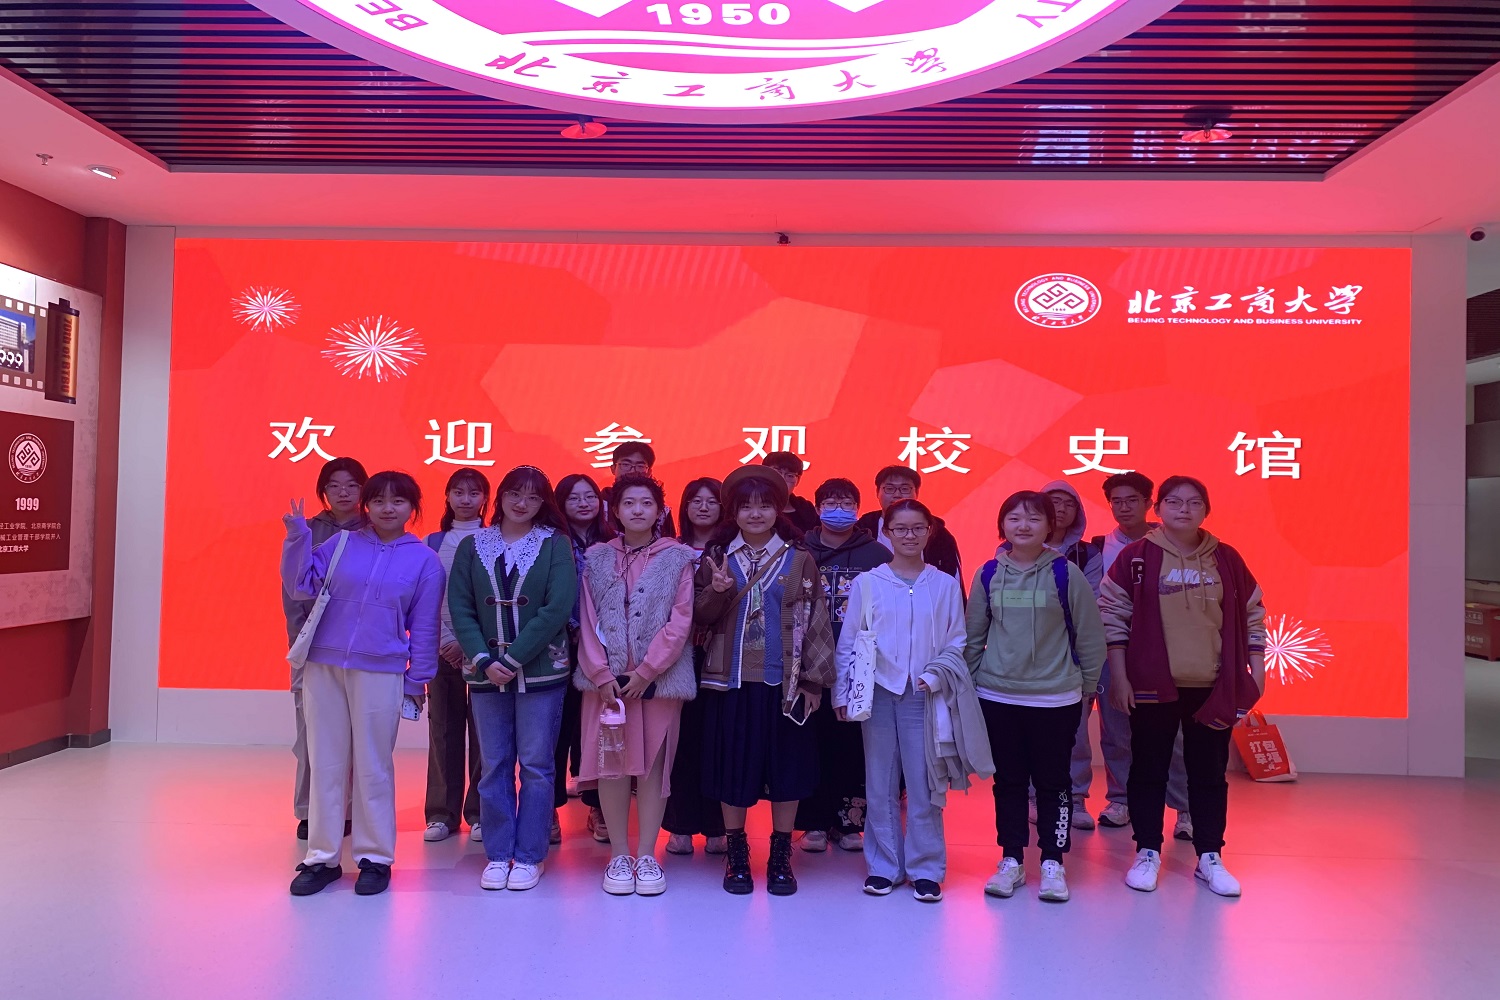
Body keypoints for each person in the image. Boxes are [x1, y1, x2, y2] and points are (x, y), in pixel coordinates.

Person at [1099, 476, 1266, 898]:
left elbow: (1253, 611)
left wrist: (1257, 671)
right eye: (1174, 502)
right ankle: (1147, 851)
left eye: (1194, 502)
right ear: (1158, 509)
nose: (1184, 509)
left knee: (1209, 773)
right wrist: (1119, 676)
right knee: (1148, 769)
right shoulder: (1137, 557)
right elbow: (1113, 615)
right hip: (1152, 685)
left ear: (1207, 510)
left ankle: (1210, 855)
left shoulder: (1226, 558)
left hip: (1212, 685)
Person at [281, 471, 443, 897]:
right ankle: (321, 858)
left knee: (374, 765)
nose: (388, 509)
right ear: (366, 506)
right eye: (379, 501)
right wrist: (297, 538)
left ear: (412, 508)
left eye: (398, 501)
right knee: (326, 762)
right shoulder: (341, 543)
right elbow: (300, 586)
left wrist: (417, 680)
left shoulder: (424, 560)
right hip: (323, 665)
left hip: (382, 671)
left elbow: (425, 626)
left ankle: (375, 858)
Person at [694, 465, 835, 896]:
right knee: (732, 769)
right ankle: (737, 854)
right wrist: (717, 590)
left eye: (764, 506)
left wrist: (813, 682)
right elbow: (699, 619)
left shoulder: (800, 559)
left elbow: (817, 621)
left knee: (787, 769)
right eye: (746, 507)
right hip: (729, 683)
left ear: (779, 510)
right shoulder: (717, 557)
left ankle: (779, 855)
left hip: (785, 683)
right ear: (733, 512)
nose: (755, 514)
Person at [965, 491, 1106, 904]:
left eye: (1033, 518)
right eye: (1014, 518)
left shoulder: (1066, 574)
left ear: (1049, 526)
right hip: (998, 696)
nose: (1023, 525)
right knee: (1008, 782)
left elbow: (1090, 637)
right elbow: (973, 637)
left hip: (1055, 698)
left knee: (1054, 782)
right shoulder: (988, 574)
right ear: (1002, 526)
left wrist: (1087, 690)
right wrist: (970, 687)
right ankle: (1010, 859)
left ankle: (1052, 862)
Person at [449, 465, 578, 892]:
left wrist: (515, 656)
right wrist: (483, 658)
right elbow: (461, 606)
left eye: (533, 497)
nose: (522, 503)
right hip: (485, 673)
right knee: (494, 765)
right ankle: (498, 852)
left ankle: (529, 855)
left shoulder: (555, 544)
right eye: (514, 494)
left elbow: (557, 607)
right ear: (500, 496)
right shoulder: (472, 545)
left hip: (541, 673)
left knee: (538, 766)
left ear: (544, 504)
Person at [833, 499, 966, 902]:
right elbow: (849, 640)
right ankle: (884, 867)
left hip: (924, 694)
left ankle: (926, 868)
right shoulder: (868, 583)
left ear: (930, 531)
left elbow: (957, 640)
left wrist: (934, 675)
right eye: (901, 528)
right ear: (886, 533)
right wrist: (843, 691)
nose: (909, 535)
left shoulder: (943, 585)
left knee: (925, 784)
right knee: (879, 782)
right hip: (877, 691)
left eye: (917, 528)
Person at [575, 475, 698, 895]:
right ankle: (618, 856)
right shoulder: (596, 558)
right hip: (606, 685)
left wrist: (646, 671)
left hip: (658, 683)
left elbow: (680, 621)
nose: (638, 510)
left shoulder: (678, 558)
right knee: (610, 766)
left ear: (660, 511)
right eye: (629, 503)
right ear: (615, 511)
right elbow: (586, 620)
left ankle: (647, 854)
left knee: (653, 770)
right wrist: (600, 673)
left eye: (646, 503)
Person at [1092, 472, 1192, 837]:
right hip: (1112, 650)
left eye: (1132, 500)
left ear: (1150, 503)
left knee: (1175, 734)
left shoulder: (1172, 543)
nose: (1124, 507)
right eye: (1116, 501)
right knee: (1116, 730)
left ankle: (1184, 808)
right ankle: (1121, 800)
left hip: (1166, 651)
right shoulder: (1099, 547)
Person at [794, 476, 890, 853]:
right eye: (831, 502)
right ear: (818, 508)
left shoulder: (877, 555)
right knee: (809, 742)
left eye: (847, 502)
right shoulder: (799, 550)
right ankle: (814, 823)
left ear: (858, 508)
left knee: (852, 745)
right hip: (807, 663)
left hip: (859, 666)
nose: (839, 509)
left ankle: (849, 824)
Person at [282, 456, 367, 842]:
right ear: (323, 492)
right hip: (314, 646)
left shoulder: (374, 530)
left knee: (356, 734)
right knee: (310, 734)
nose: (344, 492)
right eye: (335, 485)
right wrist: (300, 641)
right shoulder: (309, 529)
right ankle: (308, 809)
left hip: (361, 648)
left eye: (352, 485)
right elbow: (293, 592)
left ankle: (349, 810)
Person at [663, 477, 730, 857]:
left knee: (717, 741)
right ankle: (680, 826)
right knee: (679, 743)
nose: (703, 507)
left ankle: (718, 827)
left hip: (720, 657)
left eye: (711, 501)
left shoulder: (732, 550)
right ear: (684, 506)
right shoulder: (668, 549)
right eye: (695, 500)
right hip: (675, 657)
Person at [422, 468, 489, 845]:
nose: (466, 499)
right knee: (443, 731)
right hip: (439, 649)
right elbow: (423, 599)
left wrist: (468, 643)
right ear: (446, 496)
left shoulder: (495, 540)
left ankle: (480, 812)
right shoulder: (432, 542)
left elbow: (492, 601)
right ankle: (441, 814)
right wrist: (442, 641)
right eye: (458, 492)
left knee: (485, 732)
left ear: (485, 499)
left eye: (473, 493)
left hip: (481, 651)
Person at [554, 472, 615, 846]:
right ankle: (548, 808)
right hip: (557, 646)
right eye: (574, 497)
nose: (583, 503)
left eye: (590, 496)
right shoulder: (550, 541)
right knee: (556, 728)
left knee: (597, 729)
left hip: (602, 648)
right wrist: (572, 626)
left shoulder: (613, 542)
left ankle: (597, 806)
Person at [1040, 479, 1104, 831]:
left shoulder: (1088, 554)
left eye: (1069, 503)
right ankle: (1033, 796)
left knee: (1076, 733)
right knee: (1031, 734)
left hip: (1072, 657)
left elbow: (1089, 605)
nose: (1061, 508)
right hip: (1025, 657)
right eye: (1053, 501)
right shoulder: (1010, 550)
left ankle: (1076, 798)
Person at [855, 465, 963, 587]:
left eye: (905, 489)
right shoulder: (861, 531)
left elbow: (953, 581)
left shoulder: (939, 534)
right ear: (877, 492)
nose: (897, 495)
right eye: (889, 489)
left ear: (916, 493)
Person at [601, 441, 676, 537]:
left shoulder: (661, 510)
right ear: (613, 468)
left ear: (649, 472)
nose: (633, 471)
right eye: (625, 464)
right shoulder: (598, 505)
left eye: (640, 466)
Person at [761, 450, 819, 533]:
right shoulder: (750, 505)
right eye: (777, 472)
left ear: (798, 481)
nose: (782, 479)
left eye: (790, 476)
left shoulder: (807, 510)